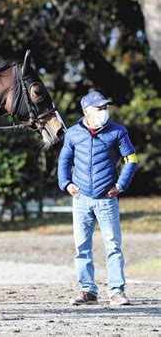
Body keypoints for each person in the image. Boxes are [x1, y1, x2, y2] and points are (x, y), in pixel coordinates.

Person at [58, 90, 138, 306]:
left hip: (107, 200)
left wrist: (121, 185)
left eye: (105, 108)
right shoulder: (73, 134)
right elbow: (64, 160)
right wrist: (66, 183)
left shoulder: (118, 132)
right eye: (99, 108)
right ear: (86, 111)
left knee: (113, 245)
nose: (104, 112)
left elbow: (131, 160)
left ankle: (116, 292)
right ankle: (87, 291)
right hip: (81, 199)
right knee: (82, 246)